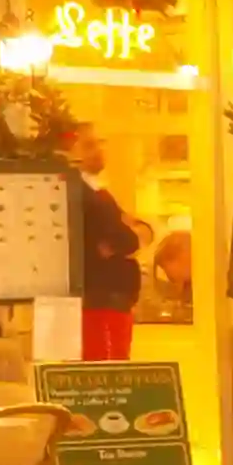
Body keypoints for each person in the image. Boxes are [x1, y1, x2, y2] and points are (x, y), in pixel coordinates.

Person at [69, 129, 142, 361]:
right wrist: (128, 234)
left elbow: (134, 229)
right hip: (101, 299)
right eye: (89, 145)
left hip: (110, 299)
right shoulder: (84, 195)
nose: (99, 151)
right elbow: (126, 239)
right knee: (106, 370)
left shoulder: (99, 192)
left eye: (99, 143)